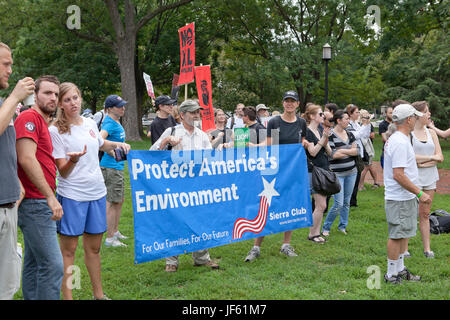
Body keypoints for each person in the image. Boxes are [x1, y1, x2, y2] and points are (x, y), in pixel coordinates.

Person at [49, 82, 130, 300]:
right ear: (60, 104)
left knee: (94, 250)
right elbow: (62, 172)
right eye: (67, 100)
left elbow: (101, 144)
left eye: (75, 98)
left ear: (80, 98)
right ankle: (69, 297)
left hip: (97, 194)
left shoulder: (90, 123)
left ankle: (99, 296)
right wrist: (73, 160)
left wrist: (118, 146)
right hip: (72, 197)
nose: (72, 103)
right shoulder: (55, 130)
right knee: (69, 252)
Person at [150, 100, 220, 272]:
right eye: (193, 112)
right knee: (174, 221)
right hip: (175, 186)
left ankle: (202, 258)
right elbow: (151, 154)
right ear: (182, 115)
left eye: (198, 112)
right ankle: (171, 261)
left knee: (199, 221)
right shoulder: (172, 131)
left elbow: (210, 159)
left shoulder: (202, 135)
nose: (197, 115)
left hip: (197, 186)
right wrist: (166, 141)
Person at [15, 75, 64, 300]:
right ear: (35, 95)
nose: (52, 98)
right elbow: (26, 158)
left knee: (34, 264)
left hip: (37, 201)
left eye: (55, 94)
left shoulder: (41, 120)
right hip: (36, 202)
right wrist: (49, 196)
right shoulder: (29, 117)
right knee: (53, 266)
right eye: (47, 93)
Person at [244, 90, 307, 261]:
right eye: (286, 101)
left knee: (290, 207)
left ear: (297, 104)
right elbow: (270, 143)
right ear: (283, 103)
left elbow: (300, 145)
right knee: (266, 206)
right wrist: (256, 146)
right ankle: (256, 247)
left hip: (292, 174)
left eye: (292, 101)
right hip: (273, 172)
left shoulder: (301, 123)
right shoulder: (275, 122)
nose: (289, 104)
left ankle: (286, 245)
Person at [0, 42, 34, 300]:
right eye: (5, 64)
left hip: (8, 202)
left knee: (8, 284)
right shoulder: (8, 102)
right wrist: (14, 97)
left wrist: (16, 180)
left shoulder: (4, 103)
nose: (10, 70)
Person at [383, 103, 431, 284]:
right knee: (397, 235)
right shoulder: (400, 142)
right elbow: (398, 174)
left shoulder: (400, 139)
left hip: (404, 197)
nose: (417, 119)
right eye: (415, 117)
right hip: (399, 198)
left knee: (404, 234)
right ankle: (391, 274)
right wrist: (420, 193)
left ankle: (400, 269)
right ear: (409, 119)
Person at [407, 101, 443, 258]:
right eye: (427, 112)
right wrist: (429, 159)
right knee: (409, 213)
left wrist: (421, 162)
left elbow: (440, 157)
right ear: (418, 114)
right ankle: (404, 248)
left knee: (425, 214)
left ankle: (427, 249)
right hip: (413, 179)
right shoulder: (408, 134)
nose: (429, 115)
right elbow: (409, 159)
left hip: (430, 178)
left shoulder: (432, 133)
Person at [321, 110, 358, 237]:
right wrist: (348, 150)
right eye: (346, 118)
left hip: (352, 172)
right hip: (337, 174)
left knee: (347, 202)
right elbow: (333, 155)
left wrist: (342, 150)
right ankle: (326, 227)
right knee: (338, 203)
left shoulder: (350, 134)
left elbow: (356, 151)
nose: (349, 120)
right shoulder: (330, 135)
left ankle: (342, 226)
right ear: (339, 120)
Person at [100, 94, 129, 247]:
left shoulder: (115, 121)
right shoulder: (109, 123)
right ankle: (110, 238)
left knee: (119, 200)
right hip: (111, 167)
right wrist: (113, 152)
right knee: (112, 201)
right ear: (110, 108)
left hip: (116, 166)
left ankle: (115, 231)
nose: (123, 108)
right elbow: (99, 141)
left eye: (123, 105)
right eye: (120, 106)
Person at [303, 104, 332, 243]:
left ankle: (315, 233)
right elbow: (313, 152)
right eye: (321, 114)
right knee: (321, 205)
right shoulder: (307, 132)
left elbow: (330, 152)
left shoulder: (321, 129)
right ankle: (313, 234)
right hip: (313, 171)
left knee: (322, 205)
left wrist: (325, 139)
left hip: (324, 169)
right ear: (312, 116)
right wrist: (323, 139)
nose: (323, 117)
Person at [346, 104, 371, 207]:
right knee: (352, 179)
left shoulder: (356, 124)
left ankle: (353, 201)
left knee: (357, 178)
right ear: (350, 114)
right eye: (356, 112)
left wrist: (367, 124)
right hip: (352, 155)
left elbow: (365, 135)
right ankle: (350, 201)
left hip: (358, 154)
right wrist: (364, 125)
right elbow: (355, 136)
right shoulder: (348, 125)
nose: (358, 114)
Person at [358, 109, 379, 190]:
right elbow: (372, 135)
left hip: (363, 148)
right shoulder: (366, 125)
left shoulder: (359, 125)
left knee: (369, 166)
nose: (368, 117)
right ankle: (360, 185)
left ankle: (374, 182)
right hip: (366, 149)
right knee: (367, 166)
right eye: (367, 116)